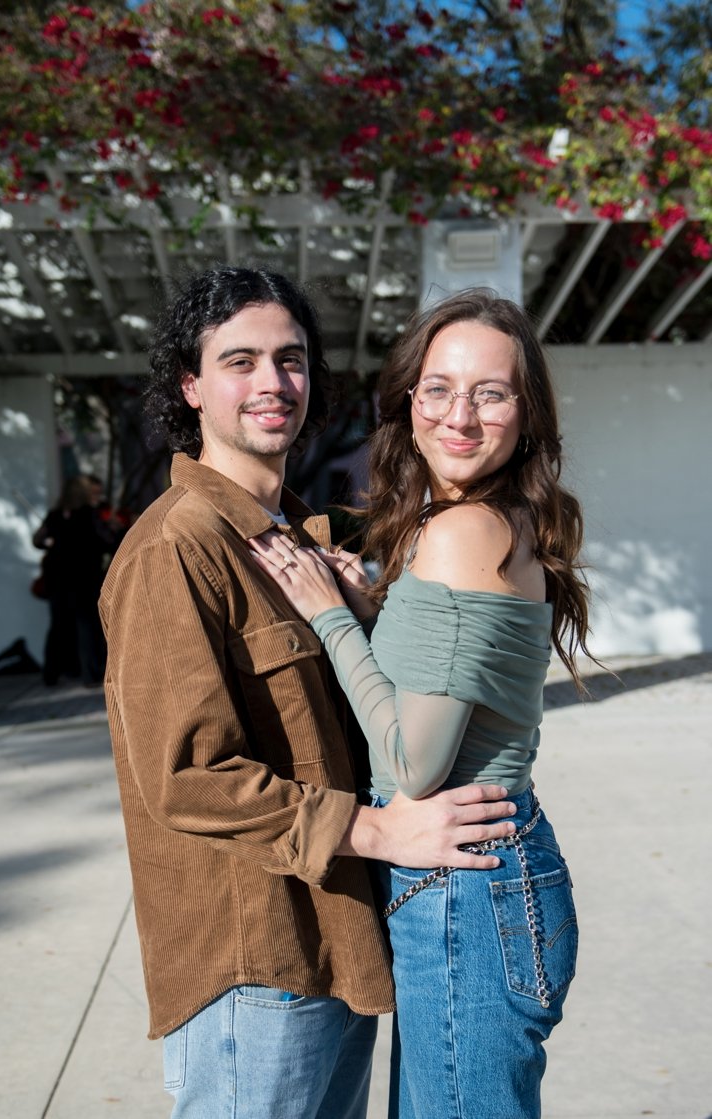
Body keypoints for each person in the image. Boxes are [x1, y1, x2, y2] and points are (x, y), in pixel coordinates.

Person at [100, 266, 523, 1119]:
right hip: (257, 963)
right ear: (191, 385)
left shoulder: (298, 542)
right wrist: (378, 827)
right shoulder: (175, 551)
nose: (272, 384)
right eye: (240, 361)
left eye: (290, 360)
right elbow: (187, 774)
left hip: (337, 946)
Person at [249, 288, 586, 1118]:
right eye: (437, 388)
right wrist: (378, 611)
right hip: (491, 876)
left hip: (469, 889)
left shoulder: (463, 532)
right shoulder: (488, 521)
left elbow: (416, 764)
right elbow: (457, 674)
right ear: (408, 398)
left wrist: (328, 616)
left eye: (490, 392)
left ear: (527, 411)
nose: (458, 416)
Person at [33, 473, 118, 685]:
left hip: (58, 578)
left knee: (58, 625)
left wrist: (51, 545)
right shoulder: (90, 514)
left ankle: (50, 675)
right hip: (84, 577)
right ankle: (91, 675)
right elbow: (108, 541)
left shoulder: (55, 515)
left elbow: (37, 540)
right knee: (87, 626)